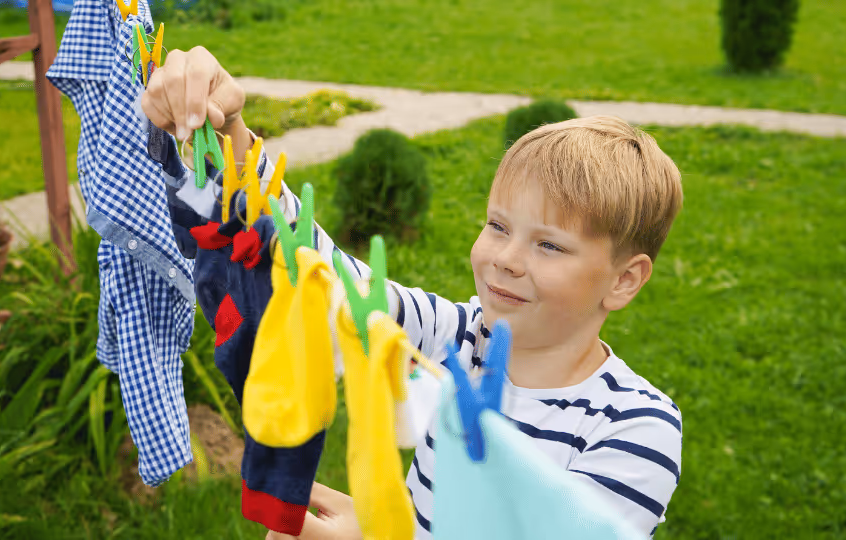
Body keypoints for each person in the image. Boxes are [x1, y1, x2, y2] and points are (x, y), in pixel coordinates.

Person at [142, 46, 685, 540]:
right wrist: (232, 129)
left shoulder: (633, 429)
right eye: (498, 226)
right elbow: (324, 277)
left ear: (624, 279)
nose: (506, 259)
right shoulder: (456, 338)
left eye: (550, 246)